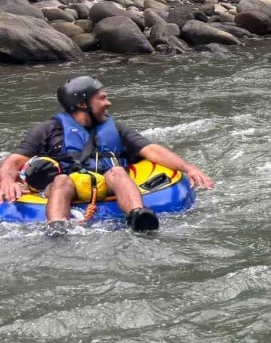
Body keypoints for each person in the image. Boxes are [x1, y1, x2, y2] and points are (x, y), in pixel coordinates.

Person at [0, 76, 214, 234]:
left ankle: (138, 215)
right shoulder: (47, 130)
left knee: (118, 171)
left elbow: (152, 151)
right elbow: (13, 161)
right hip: (67, 186)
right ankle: (57, 227)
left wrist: (188, 168)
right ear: (83, 104)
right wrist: (7, 181)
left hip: (108, 183)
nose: (108, 103)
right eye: (102, 99)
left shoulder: (117, 129)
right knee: (61, 180)